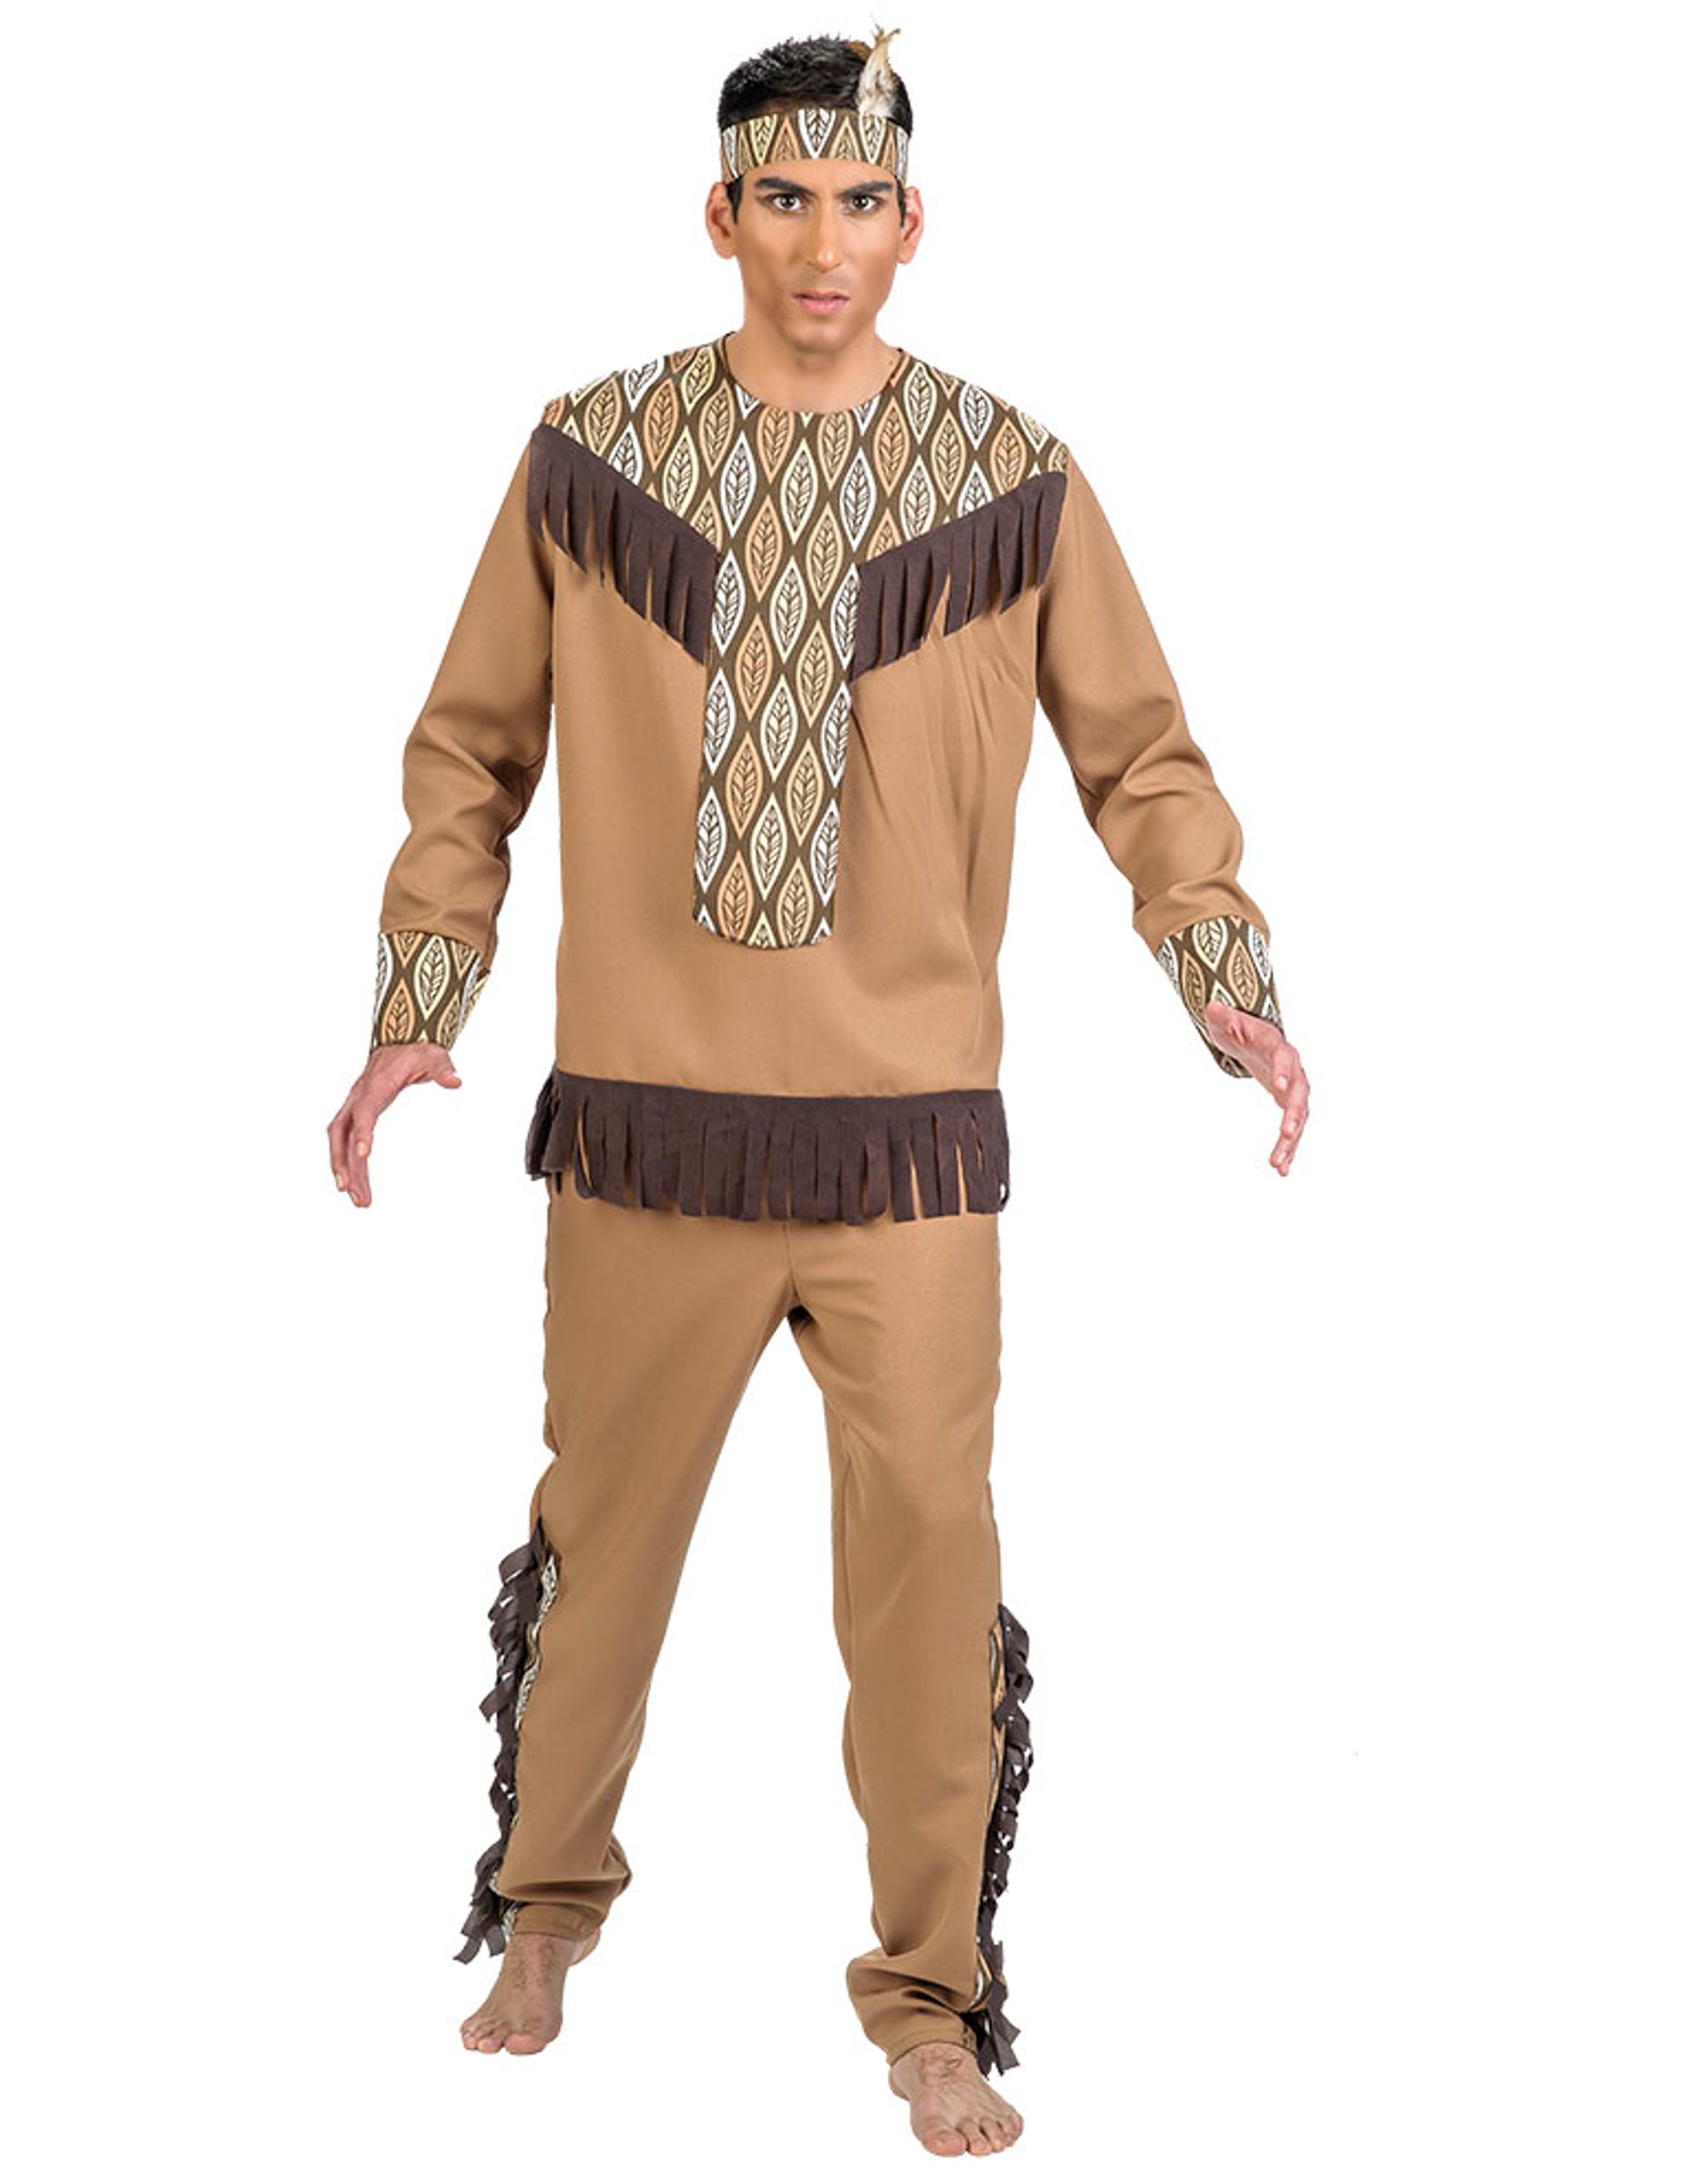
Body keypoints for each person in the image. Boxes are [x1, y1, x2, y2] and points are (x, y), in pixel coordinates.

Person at [327, 24, 1309, 2160]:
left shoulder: (1008, 476)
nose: (821, 242)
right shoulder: (593, 455)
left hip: (906, 1139)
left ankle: (932, 2003)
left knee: (933, 1564)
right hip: (651, 1128)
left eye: (860, 201)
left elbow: (1141, 757)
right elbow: (468, 750)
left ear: (913, 222)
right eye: (783, 199)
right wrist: (419, 993)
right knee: (598, 1548)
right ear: (721, 214)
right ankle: (544, 1911)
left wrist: (1218, 973)